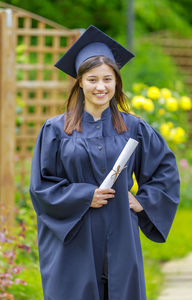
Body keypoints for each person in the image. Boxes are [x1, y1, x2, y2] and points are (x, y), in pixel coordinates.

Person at [29, 25, 180, 300]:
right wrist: (86, 195)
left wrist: (143, 200)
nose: (101, 86)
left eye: (108, 79)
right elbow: (42, 187)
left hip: (121, 234)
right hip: (75, 240)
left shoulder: (134, 128)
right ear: (80, 82)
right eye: (92, 79)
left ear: (116, 82)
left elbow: (164, 170)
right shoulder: (55, 130)